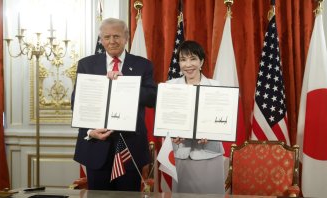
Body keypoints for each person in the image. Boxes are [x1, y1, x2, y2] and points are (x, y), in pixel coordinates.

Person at [71, 18, 157, 191]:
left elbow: (152, 97)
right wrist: (89, 131)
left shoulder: (143, 65)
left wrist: (124, 85)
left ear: (126, 37)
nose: (112, 41)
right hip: (96, 145)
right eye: (107, 37)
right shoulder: (87, 64)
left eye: (117, 36)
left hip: (130, 147)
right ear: (101, 40)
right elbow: (77, 102)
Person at [166, 40, 225, 194]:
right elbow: (167, 119)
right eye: (183, 60)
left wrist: (211, 133)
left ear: (201, 62)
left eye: (193, 59)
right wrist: (171, 134)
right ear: (179, 63)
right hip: (181, 155)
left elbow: (222, 121)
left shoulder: (216, 87)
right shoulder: (170, 86)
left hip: (209, 155)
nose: (188, 64)